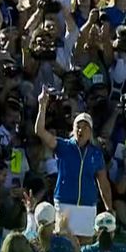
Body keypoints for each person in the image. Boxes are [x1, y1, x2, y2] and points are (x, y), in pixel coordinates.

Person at [35, 86, 113, 242]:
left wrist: (109, 208)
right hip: (65, 203)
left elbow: (103, 183)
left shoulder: (96, 153)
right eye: (78, 126)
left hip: (87, 205)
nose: (81, 130)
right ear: (73, 128)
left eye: (85, 127)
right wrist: (42, 106)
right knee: (64, 243)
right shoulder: (63, 146)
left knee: (85, 244)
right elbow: (40, 131)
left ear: (90, 131)